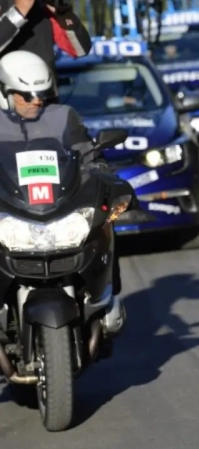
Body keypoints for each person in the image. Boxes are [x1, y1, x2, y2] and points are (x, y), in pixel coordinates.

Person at [0, 50, 125, 338]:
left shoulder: (63, 117)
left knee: (105, 225)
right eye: (26, 95)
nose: (36, 101)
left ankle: (106, 297)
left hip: (57, 207)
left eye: (41, 94)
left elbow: (86, 155)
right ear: (5, 93)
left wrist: (101, 173)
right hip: (12, 209)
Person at [0, 0, 91, 68]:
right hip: (7, 89)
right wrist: (19, 11)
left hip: (45, 89)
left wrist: (63, 12)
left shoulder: (41, 6)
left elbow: (80, 50)